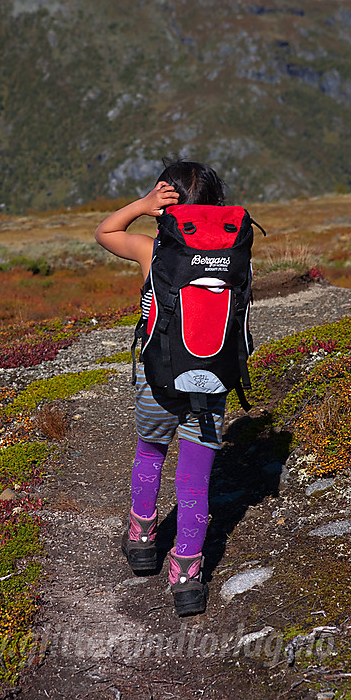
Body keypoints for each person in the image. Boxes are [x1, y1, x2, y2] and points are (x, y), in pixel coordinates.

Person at [95, 160, 228, 617]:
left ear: (166, 205)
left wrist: (144, 205)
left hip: (158, 381)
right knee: (195, 483)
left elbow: (105, 233)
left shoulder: (153, 251)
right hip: (211, 383)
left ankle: (143, 538)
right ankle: (188, 576)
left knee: (150, 452)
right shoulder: (231, 257)